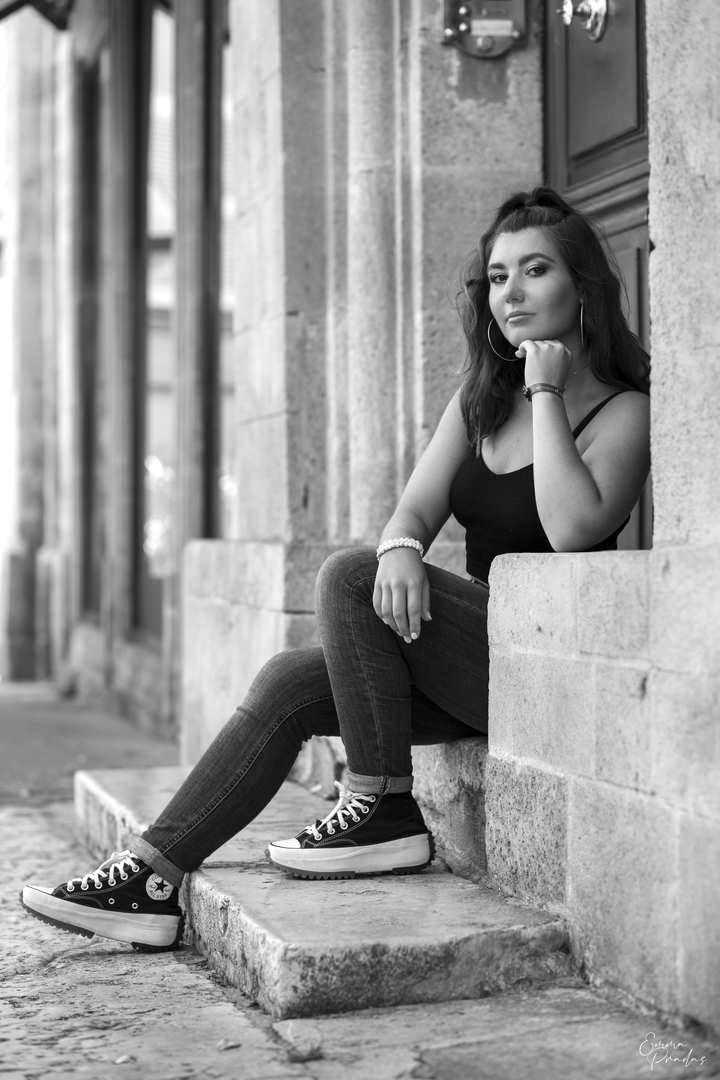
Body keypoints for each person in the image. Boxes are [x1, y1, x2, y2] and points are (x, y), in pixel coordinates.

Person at [19, 187, 650, 953]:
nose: (510, 292)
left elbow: (572, 528)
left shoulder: (624, 410)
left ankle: (382, 805)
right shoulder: (482, 401)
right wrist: (401, 548)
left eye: (535, 270)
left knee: (348, 576)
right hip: (473, 663)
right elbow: (412, 512)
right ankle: (150, 879)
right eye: (496, 276)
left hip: (550, 671)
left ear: (583, 288)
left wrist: (546, 388)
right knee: (291, 679)